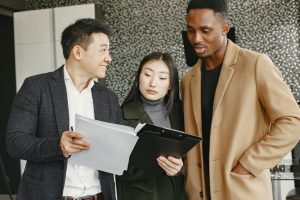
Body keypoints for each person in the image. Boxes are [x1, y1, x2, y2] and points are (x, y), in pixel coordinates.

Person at [180, 0, 300, 200]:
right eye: (191, 30)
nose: (196, 38)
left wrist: (249, 163)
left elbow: (293, 121)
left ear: (225, 28)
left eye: (205, 30)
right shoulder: (187, 81)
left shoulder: (255, 64)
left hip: (241, 191)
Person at [6, 18, 123, 200]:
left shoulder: (108, 98)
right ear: (77, 52)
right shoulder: (36, 87)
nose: (109, 58)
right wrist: (58, 146)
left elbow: (119, 151)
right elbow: (15, 142)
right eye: (103, 50)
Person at [116, 52, 187, 200]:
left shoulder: (183, 113)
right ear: (138, 78)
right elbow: (114, 167)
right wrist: (160, 166)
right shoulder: (120, 115)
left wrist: (181, 168)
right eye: (148, 74)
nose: (153, 83)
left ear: (170, 85)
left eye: (162, 78)